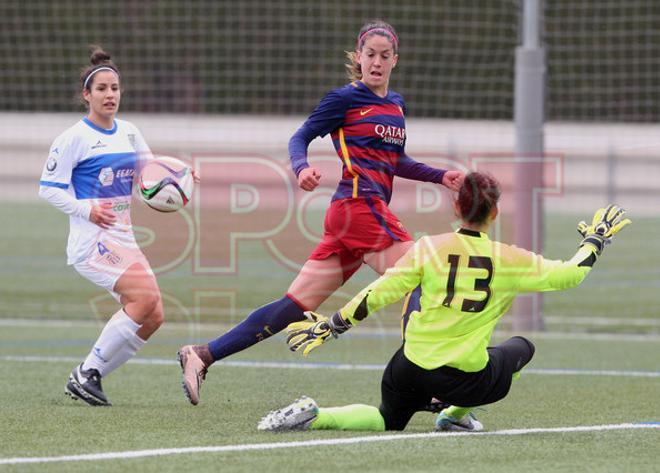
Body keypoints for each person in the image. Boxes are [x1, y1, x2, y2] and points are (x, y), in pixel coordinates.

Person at [177, 19, 464, 405]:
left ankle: (203, 354)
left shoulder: (396, 105)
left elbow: (396, 161)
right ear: (358, 57)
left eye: (384, 55)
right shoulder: (344, 99)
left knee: (293, 307)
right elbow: (300, 137)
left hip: (351, 217)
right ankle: (427, 384)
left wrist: (441, 176)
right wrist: (301, 168)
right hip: (359, 208)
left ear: (395, 60)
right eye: (369, 54)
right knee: (423, 277)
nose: (376, 62)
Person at [257, 172, 631, 433]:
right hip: (464, 379)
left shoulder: (427, 247)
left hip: (409, 366)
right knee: (521, 348)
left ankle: (317, 416)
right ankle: (454, 416)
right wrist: (595, 241)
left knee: (387, 418)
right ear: (495, 212)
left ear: (456, 208)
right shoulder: (509, 259)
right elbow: (570, 274)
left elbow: (381, 291)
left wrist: (334, 324)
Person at [39, 47, 180, 406]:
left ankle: (92, 375)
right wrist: (87, 210)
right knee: (144, 298)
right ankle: (87, 372)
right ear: (87, 95)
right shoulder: (73, 138)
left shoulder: (129, 133)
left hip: (123, 238)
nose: (110, 95)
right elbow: (49, 190)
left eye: (114, 88)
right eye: (101, 89)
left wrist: (180, 177)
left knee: (154, 315)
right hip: (92, 242)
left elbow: (150, 174)